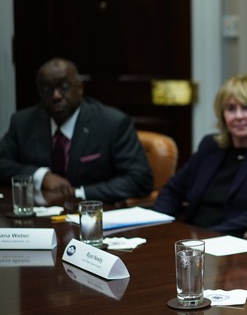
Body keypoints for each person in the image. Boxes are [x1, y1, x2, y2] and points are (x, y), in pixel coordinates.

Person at [153, 74, 247, 237]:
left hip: (234, 240)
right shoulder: (210, 146)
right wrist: (160, 226)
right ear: (222, 114)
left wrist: (210, 235)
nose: (239, 116)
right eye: (231, 109)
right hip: (191, 239)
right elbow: (172, 191)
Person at [0, 58, 152, 205]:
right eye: (47, 89)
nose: (56, 96)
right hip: (38, 221)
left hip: (95, 218)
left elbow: (139, 179)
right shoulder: (23, 122)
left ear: (80, 88)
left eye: (64, 86)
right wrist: (41, 176)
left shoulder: (112, 123)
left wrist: (79, 193)